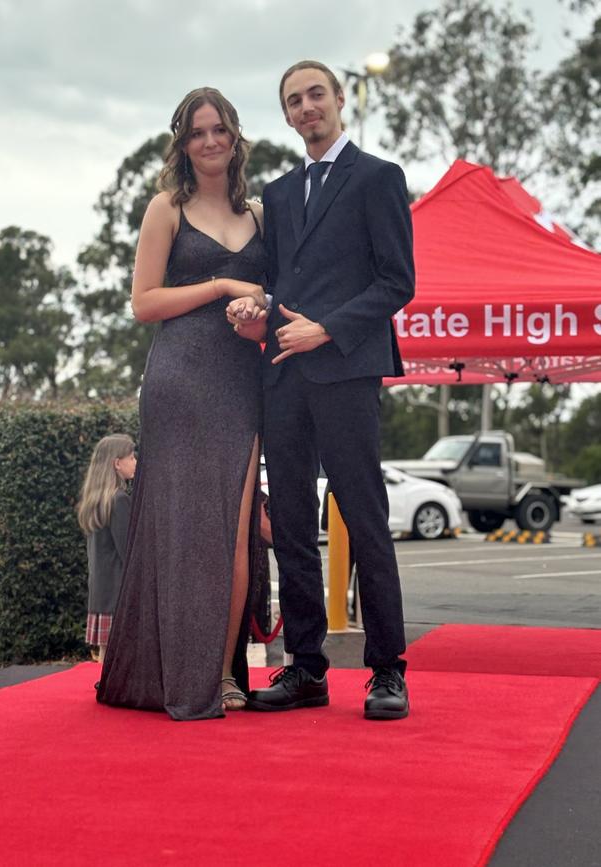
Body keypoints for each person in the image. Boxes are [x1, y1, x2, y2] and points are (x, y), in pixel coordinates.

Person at [228, 60, 415, 720]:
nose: (306, 107)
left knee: (365, 521)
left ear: (338, 101)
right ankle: (305, 667)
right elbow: (280, 282)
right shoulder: (277, 196)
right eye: (293, 101)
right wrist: (261, 312)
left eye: (315, 95)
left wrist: (327, 330)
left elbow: (397, 283)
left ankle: (388, 670)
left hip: (346, 372)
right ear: (285, 116)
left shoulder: (379, 179)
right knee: (295, 531)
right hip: (281, 375)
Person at [96, 87, 268, 720]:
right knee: (180, 528)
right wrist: (222, 283)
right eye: (197, 132)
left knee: (233, 531)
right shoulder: (166, 207)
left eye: (219, 128)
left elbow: (271, 298)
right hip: (178, 378)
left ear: (235, 135)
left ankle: (222, 674)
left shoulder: (261, 215)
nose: (210, 141)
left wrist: (257, 308)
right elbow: (144, 304)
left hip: (241, 383)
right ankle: (173, 671)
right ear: (183, 143)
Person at [77, 434, 137, 665]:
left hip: (102, 592)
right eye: (131, 457)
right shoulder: (119, 500)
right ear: (116, 463)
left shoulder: (95, 500)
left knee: (106, 655)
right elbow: (128, 552)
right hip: (119, 592)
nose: (135, 462)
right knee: (123, 657)